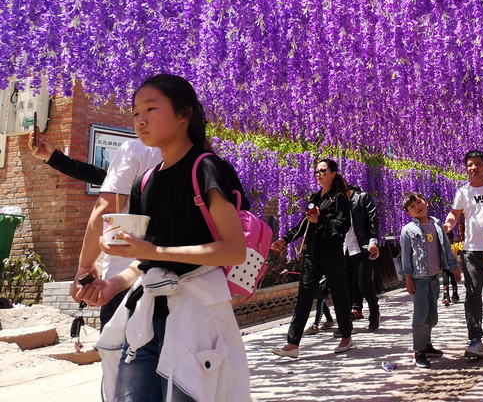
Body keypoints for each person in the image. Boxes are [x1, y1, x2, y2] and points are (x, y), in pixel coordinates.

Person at [78, 73, 250, 401]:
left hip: (196, 314)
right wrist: (112, 284)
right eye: (135, 112)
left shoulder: (206, 168)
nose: (140, 121)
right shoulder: (143, 182)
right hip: (147, 317)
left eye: (151, 109)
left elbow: (233, 250)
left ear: (184, 114)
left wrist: (154, 248)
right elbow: (147, 263)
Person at [30, 134, 163, 328]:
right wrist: (56, 159)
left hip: (126, 279)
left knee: (120, 353)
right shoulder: (204, 160)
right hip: (183, 283)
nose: (140, 120)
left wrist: (85, 266)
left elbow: (107, 207)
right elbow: (107, 177)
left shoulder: (137, 149)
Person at [270, 158, 353, 357]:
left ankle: (346, 335)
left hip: (331, 252)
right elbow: (304, 224)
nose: (319, 174)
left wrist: (321, 219)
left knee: (339, 294)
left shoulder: (339, 197)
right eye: (317, 171)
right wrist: (284, 239)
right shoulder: (315, 198)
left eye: (323, 171)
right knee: (304, 296)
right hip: (312, 253)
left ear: (333, 173)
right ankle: (293, 344)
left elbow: (343, 225)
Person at [443, 149, 483, 358]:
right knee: (472, 293)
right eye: (470, 165)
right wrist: (448, 225)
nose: (473, 168)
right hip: (471, 250)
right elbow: (455, 213)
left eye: (478, 164)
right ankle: (475, 338)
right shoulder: (463, 192)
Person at [399, 192, 460, 369]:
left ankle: (427, 344)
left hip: (434, 277)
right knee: (420, 317)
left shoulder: (436, 224)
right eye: (412, 206)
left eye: (419, 202)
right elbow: (406, 258)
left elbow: (446, 248)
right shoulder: (407, 230)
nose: (417, 206)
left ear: (425, 202)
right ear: (409, 213)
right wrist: (408, 280)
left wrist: (454, 266)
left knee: (432, 316)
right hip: (418, 279)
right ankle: (418, 351)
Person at [343, 182, 380, 330]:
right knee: (345, 287)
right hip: (344, 249)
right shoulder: (336, 202)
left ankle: (374, 313)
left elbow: (373, 220)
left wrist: (373, 241)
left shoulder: (362, 197)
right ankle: (346, 323)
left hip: (361, 247)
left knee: (364, 284)